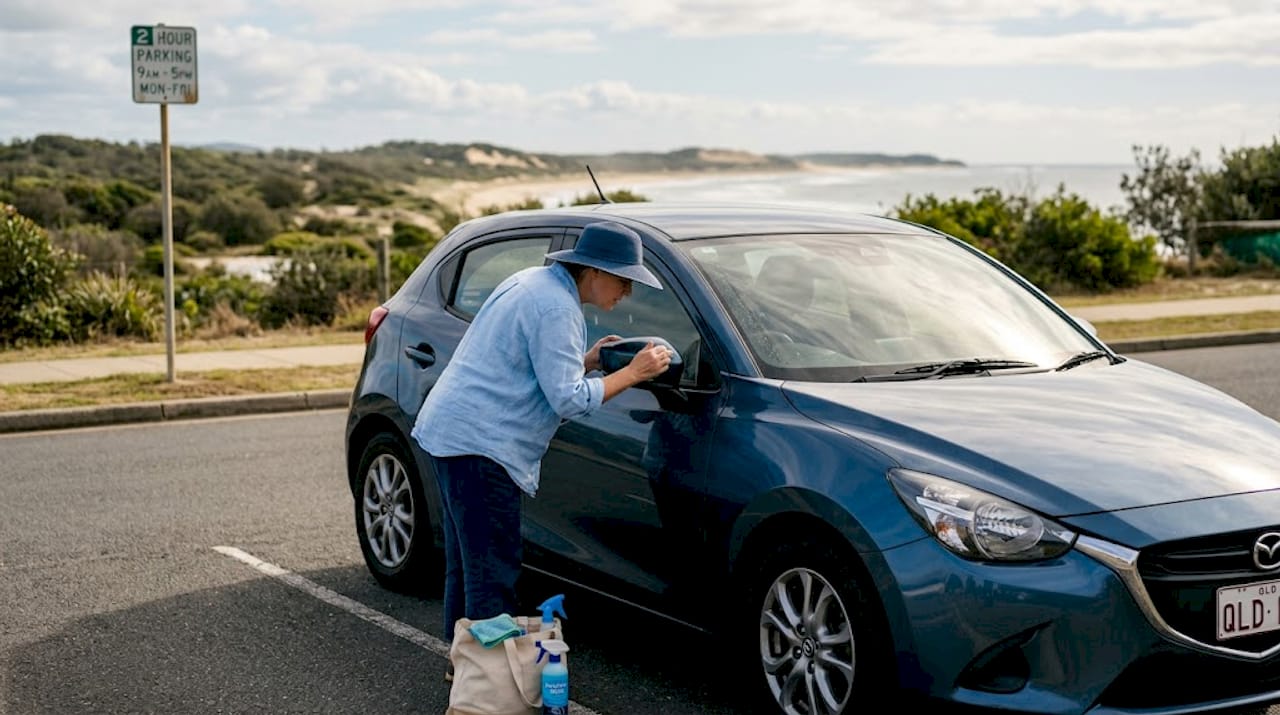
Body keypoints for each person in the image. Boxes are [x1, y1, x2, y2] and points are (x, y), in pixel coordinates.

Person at [409, 220, 673, 662]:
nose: (626, 292)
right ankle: (489, 693)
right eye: (624, 280)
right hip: (482, 446)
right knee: (492, 574)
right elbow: (569, 400)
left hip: (453, 434)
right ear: (594, 272)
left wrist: (586, 360)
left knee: (468, 566)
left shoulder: (531, 282)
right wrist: (633, 373)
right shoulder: (558, 309)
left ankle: (467, 677)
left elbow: (532, 364)